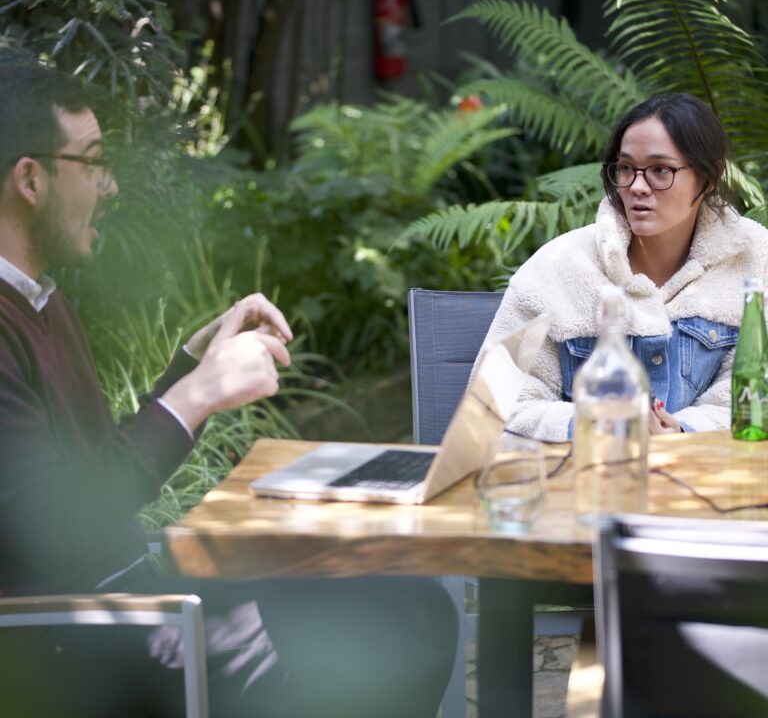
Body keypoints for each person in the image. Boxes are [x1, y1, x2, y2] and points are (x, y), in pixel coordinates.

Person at [0, 62, 457, 717]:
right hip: (72, 645)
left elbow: (95, 466)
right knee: (394, 632)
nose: (110, 185)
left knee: (408, 604)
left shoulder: (39, 300)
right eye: (93, 162)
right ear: (30, 180)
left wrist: (194, 362)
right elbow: (58, 526)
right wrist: (199, 395)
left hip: (132, 599)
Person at [475, 92, 768, 441]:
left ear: (707, 178)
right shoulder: (558, 268)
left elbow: (752, 397)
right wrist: (593, 421)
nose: (638, 187)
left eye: (660, 170)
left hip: (711, 483)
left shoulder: (755, 260)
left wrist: (683, 429)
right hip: (587, 482)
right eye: (626, 168)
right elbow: (494, 403)